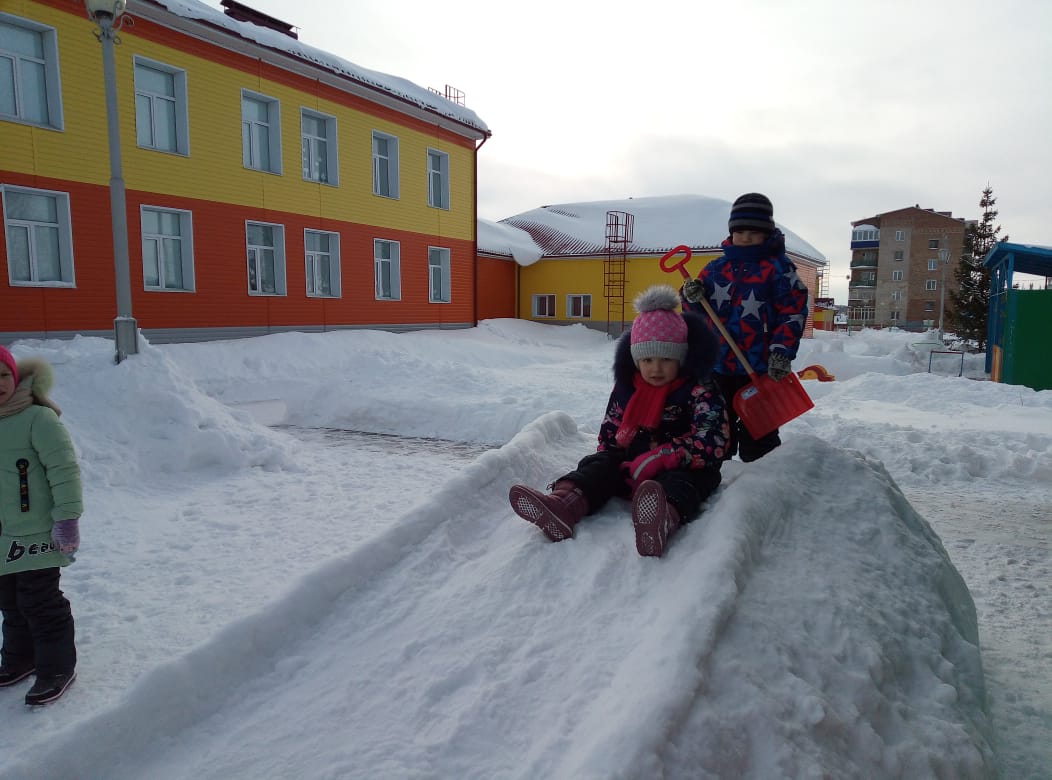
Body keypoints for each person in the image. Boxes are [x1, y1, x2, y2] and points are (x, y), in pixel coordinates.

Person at [508, 285, 730, 558]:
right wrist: (613, 459)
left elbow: (714, 441)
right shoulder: (628, 387)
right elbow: (610, 429)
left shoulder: (699, 388)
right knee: (597, 465)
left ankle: (662, 520)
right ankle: (564, 504)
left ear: (681, 358)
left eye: (666, 359)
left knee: (685, 483)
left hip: (684, 465)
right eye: (647, 359)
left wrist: (664, 456)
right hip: (632, 463)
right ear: (636, 360)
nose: (656, 368)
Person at [681, 192, 810, 462]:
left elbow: (793, 313)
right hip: (719, 366)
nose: (746, 238)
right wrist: (691, 297)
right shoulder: (715, 269)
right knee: (718, 428)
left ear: (767, 233)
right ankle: (717, 474)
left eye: (754, 232)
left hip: (760, 367)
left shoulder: (780, 270)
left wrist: (781, 352)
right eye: (740, 232)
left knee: (760, 433)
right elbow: (697, 313)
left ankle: (761, 477)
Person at [0, 345, 82, 706]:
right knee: (9, 601)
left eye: (4, 375)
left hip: (37, 530)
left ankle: (57, 668)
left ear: (16, 377)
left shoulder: (37, 418)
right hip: (2, 535)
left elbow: (64, 470)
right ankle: (21, 658)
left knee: (40, 601)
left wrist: (67, 519)